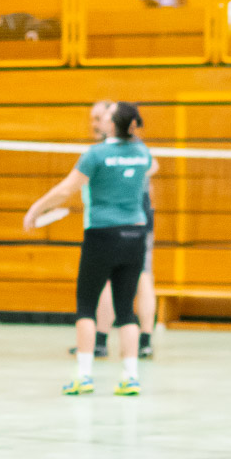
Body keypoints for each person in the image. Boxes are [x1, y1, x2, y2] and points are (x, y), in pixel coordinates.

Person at [24, 103, 153, 397]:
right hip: (135, 234)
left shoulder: (96, 154)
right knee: (126, 309)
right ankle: (131, 377)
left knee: (86, 306)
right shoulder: (143, 152)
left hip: (102, 235)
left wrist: (36, 209)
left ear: (113, 124)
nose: (100, 120)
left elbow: (66, 189)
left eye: (106, 116)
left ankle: (83, 376)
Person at [72, 101, 158, 360]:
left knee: (139, 278)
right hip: (132, 221)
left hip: (131, 219)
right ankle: (110, 341)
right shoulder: (133, 149)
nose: (94, 123)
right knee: (124, 282)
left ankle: (133, 340)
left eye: (99, 117)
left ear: (112, 121)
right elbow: (151, 166)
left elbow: (152, 167)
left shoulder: (116, 150)